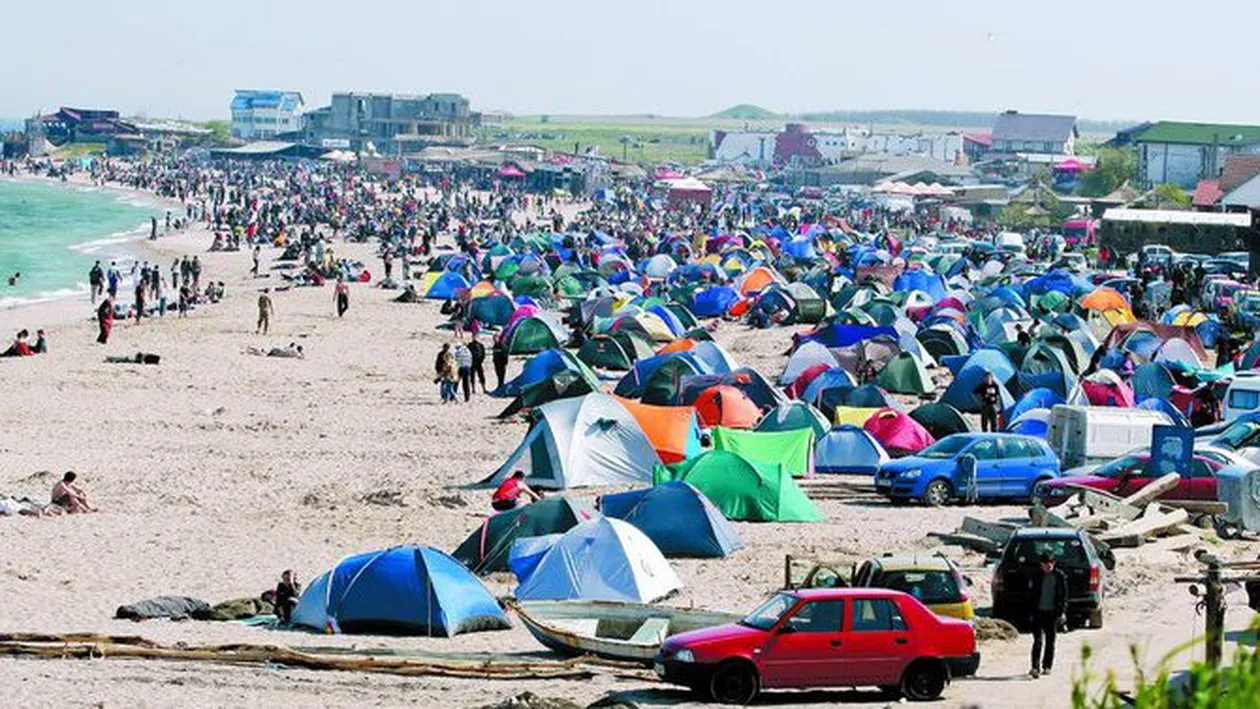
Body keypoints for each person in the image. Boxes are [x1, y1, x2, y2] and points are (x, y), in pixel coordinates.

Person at [1028, 553, 1068, 678]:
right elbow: (1031, 595)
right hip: (1038, 612)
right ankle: (1035, 667)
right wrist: (1030, 612)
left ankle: (1047, 666)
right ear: (1041, 565)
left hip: (1052, 613)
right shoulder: (1036, 576)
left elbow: (1063, 596)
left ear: (1053, 563)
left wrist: (1062, 612)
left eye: (1050, 563)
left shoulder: (1059, 576)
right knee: (1037, 641)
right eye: (1045, 564)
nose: (1048, 566)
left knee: (1050, 641)